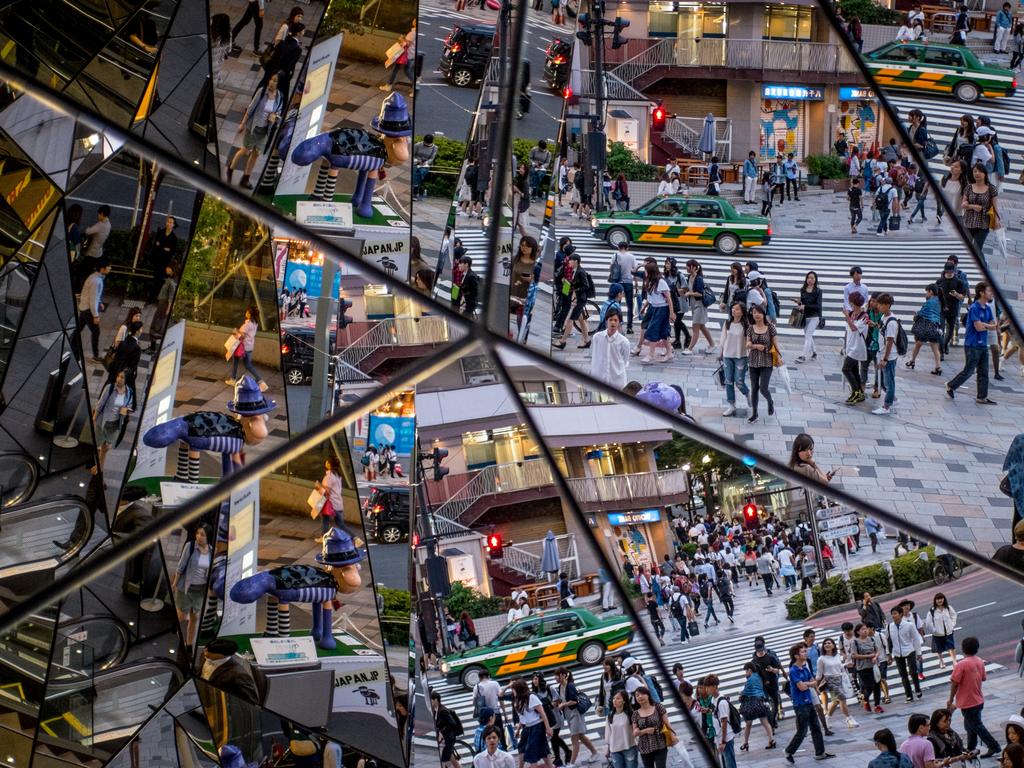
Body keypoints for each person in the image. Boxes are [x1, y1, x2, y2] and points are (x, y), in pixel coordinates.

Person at [947, 636, 1001, 757]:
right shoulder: (979, 661)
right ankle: (971, 748)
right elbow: (983, 678)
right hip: (978, 699)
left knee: (976, 726)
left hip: (968, 702)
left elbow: (955, 683)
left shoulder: (961, 665)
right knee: (970, 726)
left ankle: (993, 745)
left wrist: (950, 699)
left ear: (963, 649)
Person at [947, 281, 999, 404]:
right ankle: (950, 385)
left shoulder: (987, 308)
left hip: (982, 344)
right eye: (989, 291)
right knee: (969, 371)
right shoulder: (975, 308)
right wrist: (987, 325)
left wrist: (984, 324)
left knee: (984, 372)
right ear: (982, 293)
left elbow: (994, 325)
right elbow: (978, 327)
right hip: (972, 344)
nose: (992, 293)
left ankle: (982, 397)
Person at [229, 74, 283, 189]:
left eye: (275, 81)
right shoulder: (262, 92)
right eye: (271, 79)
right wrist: (242, 124)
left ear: (279, 84)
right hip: (253, 127)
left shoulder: (279, 97)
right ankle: (230, 168)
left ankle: (245, 179)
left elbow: (279, 112)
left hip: (265, 130)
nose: (272, 82)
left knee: (256, 154)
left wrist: (275, 117)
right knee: (245, 150)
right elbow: (250, 108)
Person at [784, 643, 833, 762]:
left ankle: (820, 753)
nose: (806, 653)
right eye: (803, 652)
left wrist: (806, 683)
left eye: (805, 651)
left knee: (816, 727)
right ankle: (788, 751)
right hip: (800, 704)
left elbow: (815, 682)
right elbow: (801, 687)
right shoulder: (793, 670)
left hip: (809, 702)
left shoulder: (804, 668)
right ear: (796, 656)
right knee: (802, 730)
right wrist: (807, 684)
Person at [172, 524, 213, 646]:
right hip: (186, 587)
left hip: (200, 590)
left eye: (203, 535)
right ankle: (177, 629)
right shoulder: (190, 546)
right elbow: (181, 566)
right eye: (198, 533)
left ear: (208, 537)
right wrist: (175, 583)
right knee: (182, 617)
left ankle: (189, 643)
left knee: (195, 617)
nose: (199, 537)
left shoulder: (211, 550)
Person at [554, 668, 599, 764]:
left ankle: (572, 763)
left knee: (574, 738)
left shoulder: (570, 686)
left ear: (563, 675)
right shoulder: (560, 687)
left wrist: (563, 705)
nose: (555, 678)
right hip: (568, 714)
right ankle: (595, 752)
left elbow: (574, 701)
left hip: (575, 714)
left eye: (557, 675)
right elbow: (562, 699)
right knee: (581, 736)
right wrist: (558, 704)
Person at [92, 370, 133, 473]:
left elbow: (129, 405)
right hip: (103, 422)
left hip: (115, 424)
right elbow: (100, 405)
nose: (119, 379)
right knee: (99, 446)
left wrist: (127, 410)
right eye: (118, 376)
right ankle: (99, 469)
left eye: (122, 377)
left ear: (126, 380)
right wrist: (94, 418)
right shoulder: (109, 388)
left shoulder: (129, 391)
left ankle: (98, 467)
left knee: (107, 447)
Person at [635, 261, 675, 364]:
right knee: (663, 332)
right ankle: (669, 353)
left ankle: (651, 355)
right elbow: (650, 297)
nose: (645, 273)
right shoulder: (650, 281)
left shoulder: (660, 282)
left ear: (651, 272)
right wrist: (644, 307)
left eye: (646, 271)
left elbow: (668, 298)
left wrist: (671, 313)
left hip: (662, 309)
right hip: (655, 308)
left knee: (652, 330)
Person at [74, 258, 111, 362]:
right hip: (88, 310)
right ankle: (96, 355)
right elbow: (92, 299)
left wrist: (100, 302)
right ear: (102, 269)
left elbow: (94, 296)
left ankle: (72, 345)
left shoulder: (94, 277)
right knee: (96, 332)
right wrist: (95, 315)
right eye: (108, 267)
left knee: (78, 329)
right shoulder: (96, 281)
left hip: (84, 307)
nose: (110, 268)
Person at [512, 678, 555, 768]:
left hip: (537, 726)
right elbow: (522, 717)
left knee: (532, 751)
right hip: (527, 727)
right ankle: (550, 766)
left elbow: (542, 713)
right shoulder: (518, 700)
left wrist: (548, 728)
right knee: (541, 749)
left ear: (519, 689)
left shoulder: (531, 697)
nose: (513, 691)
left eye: (514, 689)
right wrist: (518, 730)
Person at [817, 637, 858, 729]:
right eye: (825, 643)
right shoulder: (821, 659)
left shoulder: (837, 656)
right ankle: (849, 719)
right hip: (830, 681)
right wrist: (816, 685)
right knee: (843, 699)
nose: (827, 645)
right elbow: (819, 674)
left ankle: (826, 718)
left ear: (833, 645)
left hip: (840, 679)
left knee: (836, 702)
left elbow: (839, 667)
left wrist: (846, 665)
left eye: (829, 643)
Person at [745, 303, 776, 423]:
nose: (756, 315)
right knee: (754, 388)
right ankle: (755, 413)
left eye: (759, 312)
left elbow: (775, 343)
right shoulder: (750, 328)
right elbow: (747, 345)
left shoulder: (770, 327)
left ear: (763, 314)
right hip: (753, 362)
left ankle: (770, 401)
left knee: (763, 388)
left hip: (767, 361)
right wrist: (755, 345)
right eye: (754, 313)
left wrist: (779, 358)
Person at [886, 605, 923, 702]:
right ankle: (909, 694)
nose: (893, 616)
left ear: (901, 614)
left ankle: (917, 689)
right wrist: (888, 654)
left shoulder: (909, 625)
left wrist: (918, 653)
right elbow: (888, 641)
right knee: (903, 675)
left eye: (895, 614)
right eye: (892, 614)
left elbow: (915, 639)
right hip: (897, 653)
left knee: (913, 672)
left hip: (909, 650)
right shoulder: (890, 626)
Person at [226, 306, 267, 391]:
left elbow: (242, 336)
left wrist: (236, 331)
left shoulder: (248, 324)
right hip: (249, 346)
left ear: (250, 314)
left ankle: (233, 379)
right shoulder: (255, 323)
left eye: (247, 312)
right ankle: (261, 383)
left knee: (239, 363)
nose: (246, 313)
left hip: (242, 347)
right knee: (246, 365)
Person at [962, 162, 1000, 253]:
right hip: (968, 223)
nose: (977, 173)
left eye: (980, 171)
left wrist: (997, 220)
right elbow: (963, 205)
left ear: (985, 173)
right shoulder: (968, 188)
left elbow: (995, 206)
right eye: (975, 171)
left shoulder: (991, 189)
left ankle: (982, 264)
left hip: (983, 224)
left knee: (977, 249)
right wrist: (972, 206)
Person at [907, 284, 944, 375]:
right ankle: (938, 367)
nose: (926, 294)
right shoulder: (939, 300)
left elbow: (922, 313)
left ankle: (912, 361)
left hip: (926, 327)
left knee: (918, 344)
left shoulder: (929, 302)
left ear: (931, 291)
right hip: (935, 326)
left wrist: (916, 314)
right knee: (935, 348)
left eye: (927, 292)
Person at [630, 686, 670, 768]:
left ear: (648, 695)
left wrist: (673, 736)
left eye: (642, 694)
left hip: (660, 744)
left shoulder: (658, 707)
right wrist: (644, 731)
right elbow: (635, 733)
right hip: (644, 748)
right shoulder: (635, 714)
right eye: (637, 695)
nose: (640, 696)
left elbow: (667, 724)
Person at [591, 307, 631, 389]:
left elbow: (625, 361)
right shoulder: (597, 337)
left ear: (619, 322)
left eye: (615, 320)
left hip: (617, 380)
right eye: (610, 319)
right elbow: (595, 357)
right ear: (606, 321)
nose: (613, 322)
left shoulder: (624, 342)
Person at [873, 293, 899, 416]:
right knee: (885, 382)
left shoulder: (892, 322)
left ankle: (886, 406)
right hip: (883, 353)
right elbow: (883, 331)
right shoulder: (884, 317)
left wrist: (885, 359)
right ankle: (892, 398)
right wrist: (875, 325)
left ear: (887, 305)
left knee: (889, 382)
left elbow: (889, 341)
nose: (878, 306)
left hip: (889, 356)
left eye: (880, 304)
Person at [738, 662, 775, 751]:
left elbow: (745, 692)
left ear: (749, 670)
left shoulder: (751, 679)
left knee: (748, 724)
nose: (745, 673)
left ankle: (746, 743)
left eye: (746, 671)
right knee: (765, 722)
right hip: (761, 702)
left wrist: (741, 694)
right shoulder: (758, 676)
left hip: (752, 704)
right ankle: (771, 740)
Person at [853, 623, 884, 714]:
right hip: (863, 668)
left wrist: (875, 657)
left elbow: (877, 650)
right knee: (870, 686)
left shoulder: (871, 639)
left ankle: (877, 705)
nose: (865, 630)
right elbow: (854, 655)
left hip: (874, 666)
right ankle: (865, 700)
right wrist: (868, 656)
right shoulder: (855, 642)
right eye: (863, 629)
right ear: (858, 632)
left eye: (866, 628)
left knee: (877, 686)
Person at [924, 594, 958, 670]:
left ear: (944, 599)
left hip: (949, 632)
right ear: (935, 601)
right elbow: (928, 623)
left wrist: (952, 625)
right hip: (938, 634)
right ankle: (941, 661)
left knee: (951, 647)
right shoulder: (932, 611)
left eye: (941, 598)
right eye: (938, 599)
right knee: (939, 649)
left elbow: (954, 615)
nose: (940, 600)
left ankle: (954, 661)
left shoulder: (948, 608)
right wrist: (934, 630)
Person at [431, 691, 464, 768]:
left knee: (442, 760)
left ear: (435, 700)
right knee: (451, 760)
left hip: (448, 739)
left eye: (431, 700)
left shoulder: (442, 711)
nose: (430, 702)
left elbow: (452, 723)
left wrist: (442, 732)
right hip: (444, 740)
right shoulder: (436, 710)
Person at [313, 456, 343, 538]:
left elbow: (326, 492)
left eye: (327, 462)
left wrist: (318, 486)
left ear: (330, 464)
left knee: (340, 525)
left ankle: (354, 538)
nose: (325, 463)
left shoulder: (329, 476)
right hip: (337, 502)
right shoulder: (338, 475)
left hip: (330, 503)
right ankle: (323, 537)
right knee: (326, 520)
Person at [606, 689, 638, 768]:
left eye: (618, 698)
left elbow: (636, 730)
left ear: (624, 701)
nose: (615, 700)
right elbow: (609, 734)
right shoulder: (610, 715)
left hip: (629, 747)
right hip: (615, 750)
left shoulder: (631, 714)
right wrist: (608, 749)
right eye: (614, 698)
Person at [412, 134, 438, 198]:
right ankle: (416, 190)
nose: (426, 145)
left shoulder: (435, 148)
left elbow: (432, 158)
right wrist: (418, 161)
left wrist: (426, 162)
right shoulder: (418, 145)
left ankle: (415, 188)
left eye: (428, 144)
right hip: (416, 162)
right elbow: (412, 155)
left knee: (421, 172)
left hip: (426, 164)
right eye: (425, 144)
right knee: (415, 170)